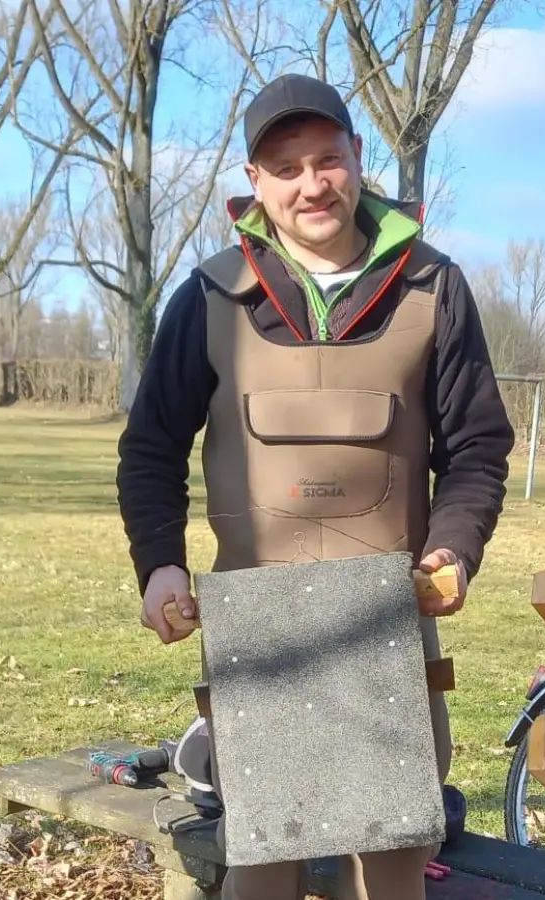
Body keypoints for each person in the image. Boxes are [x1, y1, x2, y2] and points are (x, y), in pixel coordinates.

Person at [116, 73, 515, 900]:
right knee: (259, 875)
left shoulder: (433, 287)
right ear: (254, 183)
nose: (311, 185)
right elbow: (152, 445)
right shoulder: (211, 295)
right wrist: (159, 563)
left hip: (390, 631)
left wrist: (453, 549)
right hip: (259, 640)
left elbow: (477, 447)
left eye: (327, 160)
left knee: (393, 875)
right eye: (286, 168)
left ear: (358, 160)